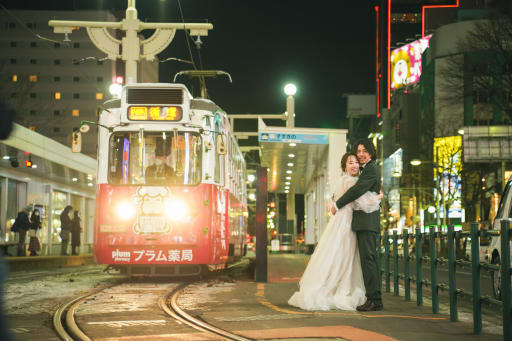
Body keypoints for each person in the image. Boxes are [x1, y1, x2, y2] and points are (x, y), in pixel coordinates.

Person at [288, 152, 382, 311]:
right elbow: (363, 203)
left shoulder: (343, 180)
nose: (354, 165)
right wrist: (378, 197)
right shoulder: (351, 181)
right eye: (350, 163)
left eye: (355, 163)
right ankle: (341, 290)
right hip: (347, 223)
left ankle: (333, 288)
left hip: (342, 221)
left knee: (338, 256)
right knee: (345, 257)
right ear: (344, 166)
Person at [332, 139, 383, 312]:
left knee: (368, 260)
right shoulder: (367, 169)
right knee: (367, 260)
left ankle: (374, 300)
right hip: (363, 222)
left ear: (371, 152)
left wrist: (337, 204)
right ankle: (373, 298)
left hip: (367, 222)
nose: (360, 154)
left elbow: (357, 190)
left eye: (364, 151)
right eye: (358, 151)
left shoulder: (372, 168)